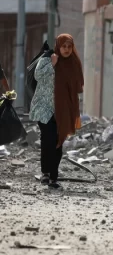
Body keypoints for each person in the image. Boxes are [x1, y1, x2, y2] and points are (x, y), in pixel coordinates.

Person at [29, 34, 84, 189]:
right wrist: (52, 64)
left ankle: (54, 177)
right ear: (58, 46)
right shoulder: (47, 58)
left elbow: (77, 87)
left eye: (69, 47)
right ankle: (45, 173)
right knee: (48, 139)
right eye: (63, 46)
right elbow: (37, 75)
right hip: (44, 107)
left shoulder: (73, 63)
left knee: (58, 142)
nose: (66, 50)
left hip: (64, 110)